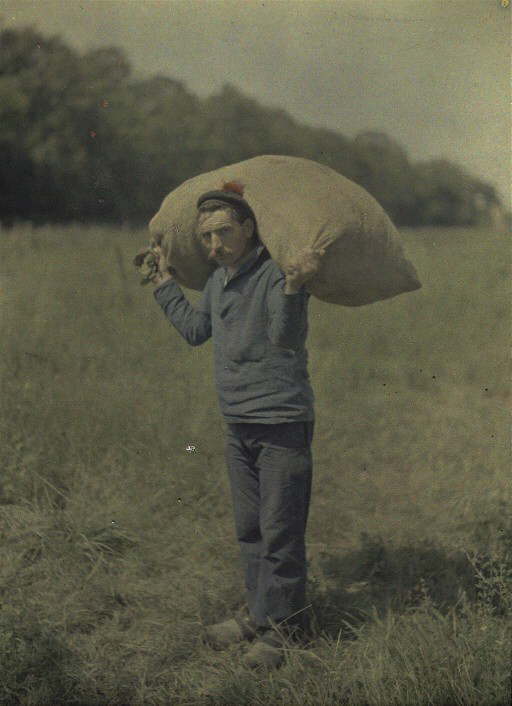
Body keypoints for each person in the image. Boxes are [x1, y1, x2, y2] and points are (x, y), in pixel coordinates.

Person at [151, 183, 324, 669]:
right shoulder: (217, 280)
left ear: (248, 228)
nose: (214, 245)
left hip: (281, 422)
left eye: (224, 232)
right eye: (207, 236)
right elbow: (195, 331)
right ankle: (259, 614)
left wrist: (295, 288)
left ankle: (283, 632)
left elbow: (286, 337)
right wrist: (164, 284)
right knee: (250, 529)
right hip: (238, 423)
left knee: (280, 531)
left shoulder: (275, 273)